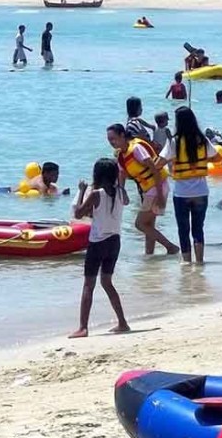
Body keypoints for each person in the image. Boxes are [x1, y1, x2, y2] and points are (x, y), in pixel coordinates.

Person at [68, 158, 131, 339]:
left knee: (89, 284)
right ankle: (122, 322)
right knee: (107, 282)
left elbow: (78, 214)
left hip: (98, 243)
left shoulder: (96, 194)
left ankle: (83, 327)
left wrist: (81, 191)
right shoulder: (120, 193)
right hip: (115, 241)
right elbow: (124, 202)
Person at [160, 107, 219, 264]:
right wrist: (202, 160)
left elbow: (159, 163)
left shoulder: (174, 141)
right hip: (201, 192)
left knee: (183, 230)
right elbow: (217, 157)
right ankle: (200, 262)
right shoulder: (202, 139)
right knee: (198, 229)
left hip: (181, 193)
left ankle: (187, 263)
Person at [108, 125, 178, 255]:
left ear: (122, 135)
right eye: (109, 140)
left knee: (140, 224)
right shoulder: (121, 156)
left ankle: (171, 247)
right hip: (149, 189)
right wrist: (122, 191)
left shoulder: (136, 149)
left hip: (157, 187)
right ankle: (149, 256)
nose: (111, 142)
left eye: (113, 138)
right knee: (148, 226)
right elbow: (122, 174)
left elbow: (155, 169)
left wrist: (160, 196)